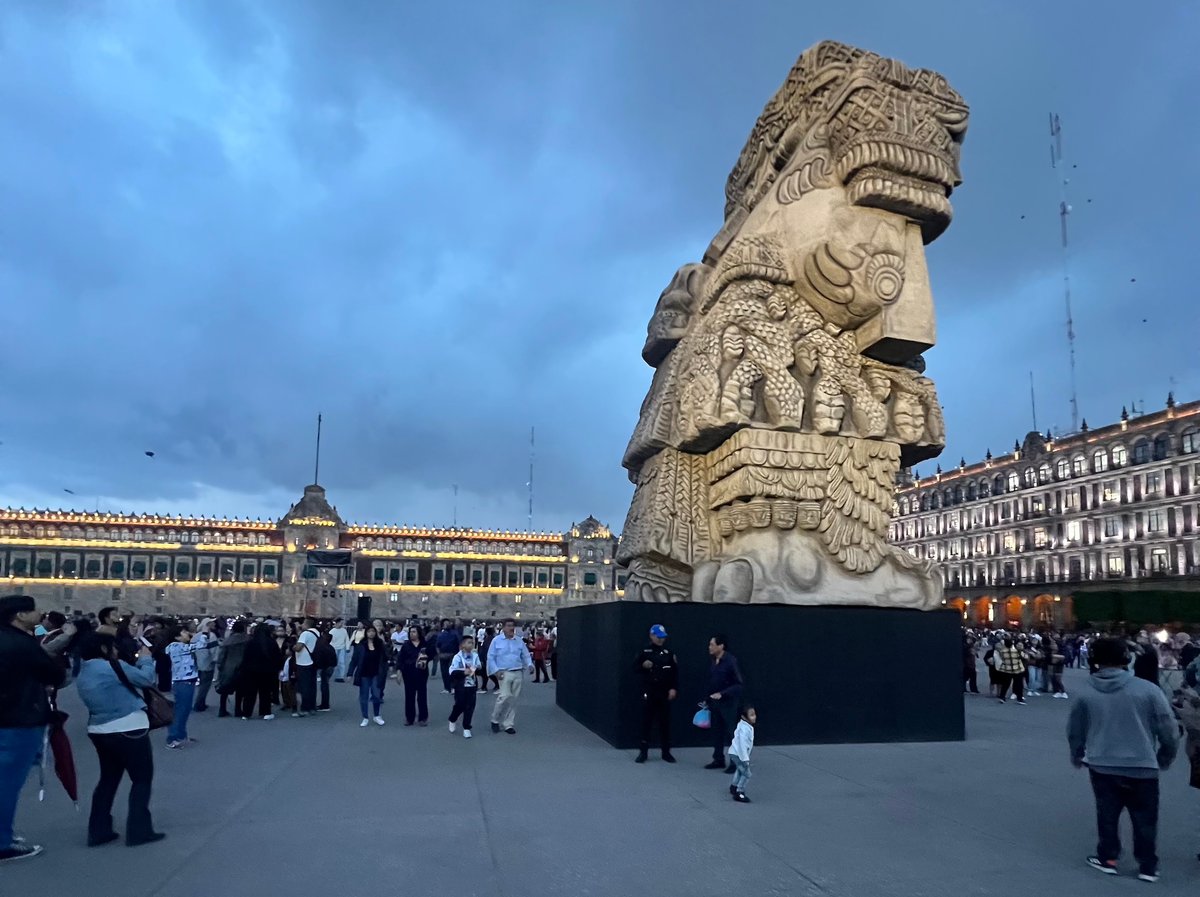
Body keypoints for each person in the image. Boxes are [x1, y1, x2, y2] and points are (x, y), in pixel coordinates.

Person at [1068, 637, 1178, 882]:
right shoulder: (1148, 689)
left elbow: (1075, 729)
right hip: (1142, 763)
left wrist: (1077, 752)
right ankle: (1148, 865)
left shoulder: (1085, 690)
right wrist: (1165, 755)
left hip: (1102, 763)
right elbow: (1168, 728)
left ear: (1094, 660)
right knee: (1145, 818)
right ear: (1127, 659)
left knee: (1107, 814)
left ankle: (1108, 858)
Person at [75, 634, 165, 847]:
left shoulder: (84, 670)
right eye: (113, 647)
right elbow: (146, 680)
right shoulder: (111, 667)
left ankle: (98, 830)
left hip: (99, 728)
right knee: (141, 779)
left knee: (108, 779)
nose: (116, 651)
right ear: (104, 649)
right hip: (128, 727)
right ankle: (139, 830)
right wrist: (145, 659)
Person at [0, 595, 71, 863]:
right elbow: (54, 674)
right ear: (19, 615)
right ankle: (2, 843)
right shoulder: (21, 643)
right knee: (7, 783)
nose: (39, 613)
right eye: (33, 610)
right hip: (18, 719)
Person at [634, 624, 678, 764]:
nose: (660, 640)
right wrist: (643, 665)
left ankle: (666, 752)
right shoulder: (644, 651)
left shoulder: (668, 653)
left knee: (665, 723)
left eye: (662, 638)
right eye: (658, 637)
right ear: (651, 636)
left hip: (664, 692)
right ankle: (643, 752)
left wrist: (673, 688)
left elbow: (674, 673)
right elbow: (634, 667)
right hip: (650, 691)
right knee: (646, 723)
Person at [704, 634, 743, 772]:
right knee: (717, 731)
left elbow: (738, 684)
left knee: (731, 733)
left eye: (712, 644)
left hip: (729, 704)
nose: (709, 647)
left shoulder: (731, 661)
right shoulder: (714, 660)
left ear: (721, 646)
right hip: (715, 703)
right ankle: (718, 759)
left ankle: (735, 763)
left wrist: (723, 694)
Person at [487, 619, 533, 735]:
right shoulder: (496, 641)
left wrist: (530, 664)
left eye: (512, 626)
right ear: (503, 628)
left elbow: (525, 654)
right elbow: (491, 657)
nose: (511, 628)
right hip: (504, 672)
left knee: (514, 699)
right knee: (504, 696)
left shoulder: (519, 641)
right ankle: (495, 719)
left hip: (518, 671)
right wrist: (495, 671)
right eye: (508, 626)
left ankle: (508, 724)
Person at [237, 623, 282, 721]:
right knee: (265, 692)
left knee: (250, 693)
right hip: (267, 671)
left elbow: (245, 658)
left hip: (251, 671)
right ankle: (265, 712)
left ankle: (246, 713)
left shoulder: (250, 642)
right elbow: (277, 657)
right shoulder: (271, 642)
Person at [164, 626, 198, 749]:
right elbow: (199, 645)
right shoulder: (175, 646)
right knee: (180, 710)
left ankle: (181, 735)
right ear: (177, 637)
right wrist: (204, 634)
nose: (187, 633)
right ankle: (172, 738)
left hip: (188, 680)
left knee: (185, 709)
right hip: (182, 682)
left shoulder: (180, 647)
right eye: (183, 632)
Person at [350, 626, 387, 727]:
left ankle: (377, 715)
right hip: (364, 673)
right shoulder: (361, 645)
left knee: (376, 694)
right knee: (364, 696)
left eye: (373, 631)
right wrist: (350, 673)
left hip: (376, 673)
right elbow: (354, 659)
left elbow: (385, 658)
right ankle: (365, 717)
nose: (371, 633)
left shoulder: (379, 645)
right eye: (369, 631)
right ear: (366, 633)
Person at [395, 625, 432, 726]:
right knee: (409, 696)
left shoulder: (424, 644)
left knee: (422, 696)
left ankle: (423, 718)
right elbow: (400, 659)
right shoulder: (406, 645)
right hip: (409, 673)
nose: (412, 633)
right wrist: (399, 671)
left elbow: (431, 654)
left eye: (414, 632)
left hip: (422, 673)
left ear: (419, 633)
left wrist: (426, 657)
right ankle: (409, 718)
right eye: (411, 632)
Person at [447, 634, 481, 738]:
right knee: (459, 705)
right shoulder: (457, 657)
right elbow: (452, 671)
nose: (471, 645)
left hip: (472, 685)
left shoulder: (475, 655)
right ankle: (452, 718)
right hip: (461, 686)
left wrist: (477, 668)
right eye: (469, 643)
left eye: (472, 643)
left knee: (470, 706)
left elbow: (479, 666)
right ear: (462, 645)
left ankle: (466, 727)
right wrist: (463, 672)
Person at [216, 620, 249, 718]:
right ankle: (238, 710)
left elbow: (221, 656)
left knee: (224, 690)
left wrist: (220, 667)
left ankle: (222, 709)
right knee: (240, 691)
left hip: (228, 668)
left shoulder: (227, 641)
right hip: (242, 667)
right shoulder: (247, 640)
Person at [729, 704, 756, 804]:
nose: (754, 717)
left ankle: (734, 786)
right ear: (744, 717)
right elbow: (742, 745)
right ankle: (739, 792)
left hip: (735, 753)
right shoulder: (744, 730)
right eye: (752, 715)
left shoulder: (744, 726)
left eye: (754, 714)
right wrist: (745, 759)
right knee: (747, 773)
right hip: (738, 755)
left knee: (740, 770)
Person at [293, 617, 320, 717]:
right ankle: (312, 706)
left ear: (307, 624)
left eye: (303, 623)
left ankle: (304, 708)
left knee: (303, 686)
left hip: (303, 662)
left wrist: (293, 646)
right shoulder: (316, 632)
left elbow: (298, 648)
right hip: (313, 661)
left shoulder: (305, 634)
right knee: (312, 685)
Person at [191, 618, 218, 712]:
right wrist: (216, 660)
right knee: (205, 685)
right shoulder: (212, 636)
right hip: (208, 663)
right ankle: (199, 704)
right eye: (212, 622)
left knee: (202, 684)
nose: (214, 623)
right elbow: (213, 651)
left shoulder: (196, 636)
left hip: (198, 663)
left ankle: (201, 703)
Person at [993, 634, 1026, 705]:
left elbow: (1001, 657)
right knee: (1019, 684)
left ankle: (1002, 697)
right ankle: (1020, 698)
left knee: (1005, 684)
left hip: (1007, 669)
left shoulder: (1003, 652)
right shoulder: (1017, 651)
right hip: (1018, 669)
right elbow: (1024, 657)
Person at [314, 629, 338, 712]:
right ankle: (325, 704)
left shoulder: (321, 646)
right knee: (325, 685)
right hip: (330, 667)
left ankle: (325, 705)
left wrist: (318, 667)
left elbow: (319, 658)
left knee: (324, 686)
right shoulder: (330, 647)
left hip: (325, 667)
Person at [435, 619, 461, 694]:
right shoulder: (440, 635)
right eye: (444, 624)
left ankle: (453, 687)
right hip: (443, 655)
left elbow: (459, 644)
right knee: (444, 672)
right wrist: (439, 654)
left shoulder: (455, 633)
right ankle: (446, 688)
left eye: (447, 623)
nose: (446, 625)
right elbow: (437, 646)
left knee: (452, 672)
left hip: (453, 655)